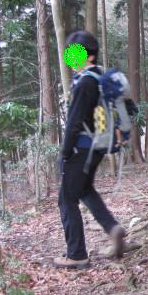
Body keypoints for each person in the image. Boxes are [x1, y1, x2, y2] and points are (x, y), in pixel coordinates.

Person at [54, 30, 126, 269]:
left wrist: (64, 153)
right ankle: (112, 228)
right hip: (95, 149)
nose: (72, 60)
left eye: (76, 54)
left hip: (81, 149)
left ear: (89, 56)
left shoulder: (85, 83)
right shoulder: (98, 78)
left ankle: (76, 254)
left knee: (66, 199)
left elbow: (74, 121)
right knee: (85, 190)